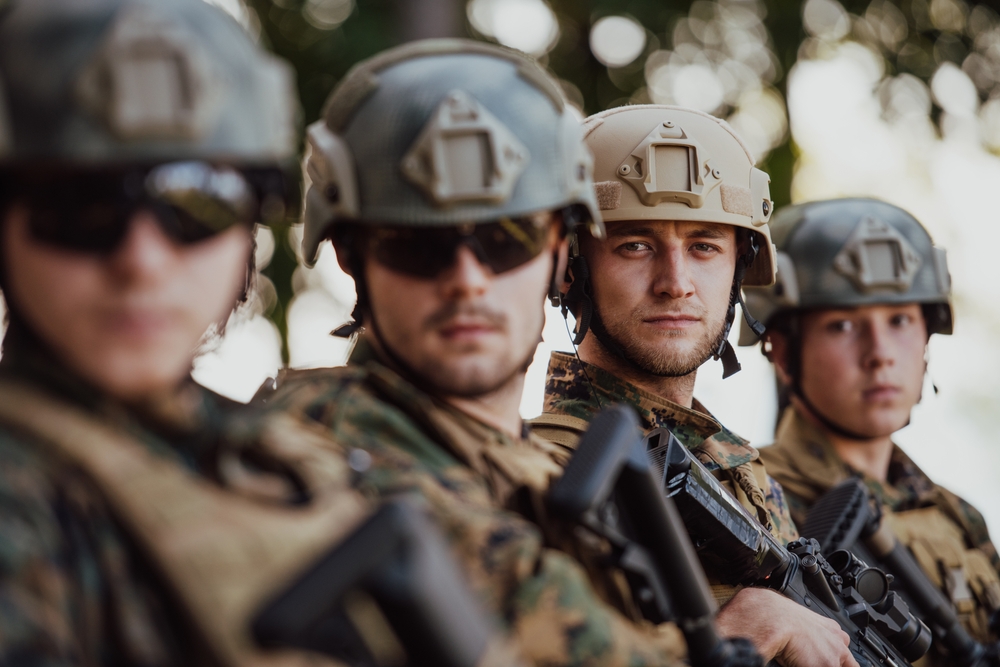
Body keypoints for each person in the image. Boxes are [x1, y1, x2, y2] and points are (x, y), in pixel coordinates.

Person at [256, 39, 697, 666]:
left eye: (505, 237)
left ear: (558, 253)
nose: (467, 279)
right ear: (353, 259)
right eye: (418, 244)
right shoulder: (316, 463)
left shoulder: (527, 465)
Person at [0, 1, 384, 664]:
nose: (142, 260)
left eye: (196, 202)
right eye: (81, 206)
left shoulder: (271, 452)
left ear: (251, 228)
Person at [530, 105, 858, 666]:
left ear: (739, 269)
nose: (676, 284)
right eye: (635, 245)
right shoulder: (542, 474)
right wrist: (751, 630)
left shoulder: (742, 472)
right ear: (572, 267)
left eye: (705, 246)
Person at [743, 198, 1000, 653]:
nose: (880, 353)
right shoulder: (752, 501)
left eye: (900, 320)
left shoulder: (955, 517)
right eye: (842, 325)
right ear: (782, 352)